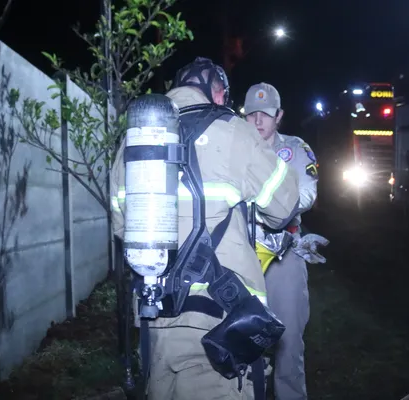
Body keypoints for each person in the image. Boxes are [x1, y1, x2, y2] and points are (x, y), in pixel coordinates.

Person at [110, 58, 301, 400]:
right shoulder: (233, 130)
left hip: (154, 320)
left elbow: (122, 223)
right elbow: (284, 206)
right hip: (219, 323)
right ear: (217, 91)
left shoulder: (136, 139)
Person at [243, 82, 319, 400]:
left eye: (266, 114)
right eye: (252, 114)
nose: (259, 120)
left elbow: (307, 194)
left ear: (279, 116)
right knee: (242, 337)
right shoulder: (235, 149)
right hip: (242, 253)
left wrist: (269, 209)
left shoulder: (295, 148)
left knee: (289, 339)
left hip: (284, 251)